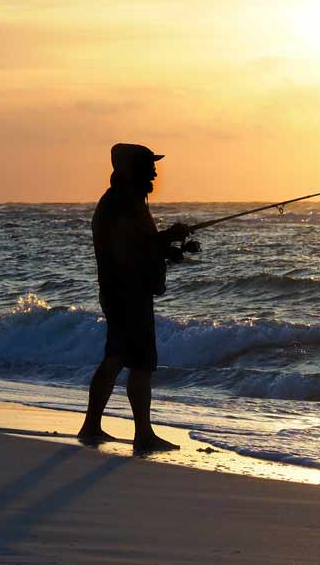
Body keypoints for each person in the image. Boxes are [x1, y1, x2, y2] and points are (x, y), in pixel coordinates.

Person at [78, 143, 190, 452]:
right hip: (128, 295)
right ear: (131, 169)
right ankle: (143, 435)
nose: (154, 170)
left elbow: (138, 247)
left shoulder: (124, 200)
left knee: (115, 359)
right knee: (140, 365)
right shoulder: (123, 204)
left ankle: (92, 425)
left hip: (121, 292)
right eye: (148, 165)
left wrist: (168, 251)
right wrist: (169, 236)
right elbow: (134, 250)